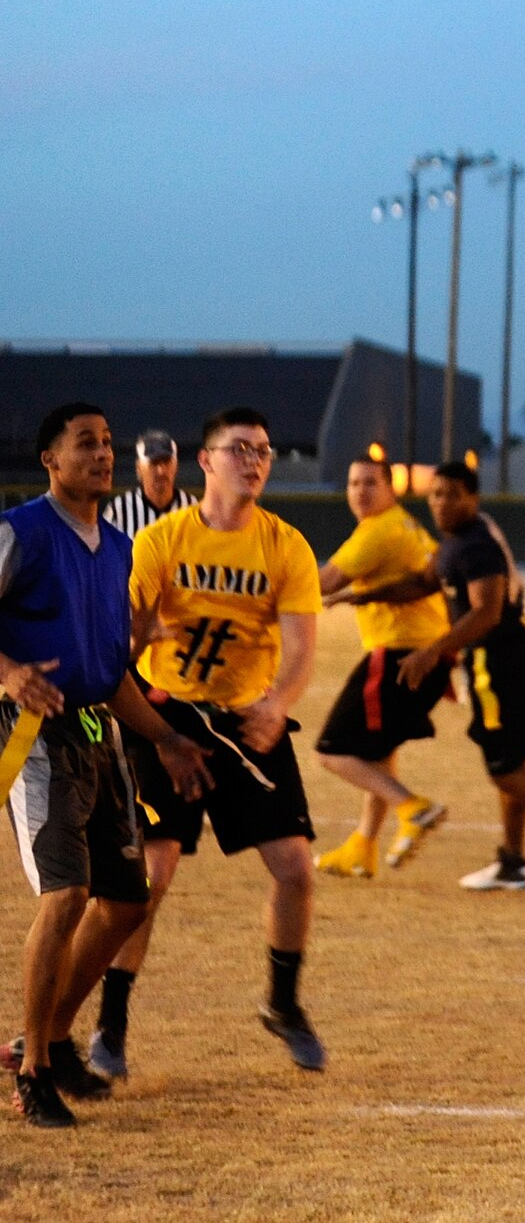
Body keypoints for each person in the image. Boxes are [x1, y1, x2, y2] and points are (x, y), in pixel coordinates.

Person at [92, 407, 327, 1076]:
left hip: (245, 720)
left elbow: (303, 645)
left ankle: (282, 1003)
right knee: (150, 874)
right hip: (165, 719)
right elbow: (122, 641)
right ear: (207, 459)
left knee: (296, 868)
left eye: (264, 449)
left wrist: (278, 702)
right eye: (240, 448)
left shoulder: (285, 545)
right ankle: (111, 1026)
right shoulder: (163, 539)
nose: (254, 459)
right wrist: (145, 644)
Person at [0, 404, 211, 1127]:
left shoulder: (119, 547)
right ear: (50, 460)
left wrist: (166, 739)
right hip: (32, 732)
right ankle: (31, 1074)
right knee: (65, 895)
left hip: (100, 732)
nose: (102, 453)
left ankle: (51, 1040)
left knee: (126, 899)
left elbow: (114, 671)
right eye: (84, 442)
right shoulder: (21, 530)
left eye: (108, 442)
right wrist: (7, 671)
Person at [337, 461, 525, 895]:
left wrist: (432, 652)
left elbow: (486, 612)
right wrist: (365, 594)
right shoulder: (458, 539)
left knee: (505, 770)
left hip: (504, 661)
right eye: (435, 494)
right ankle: (513, 862)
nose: (441, 502)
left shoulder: (476, 547)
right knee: (509, 759)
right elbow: (423, 581)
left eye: (452, 494)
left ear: (473, 498)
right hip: (501, 658)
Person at [311, 454, 453, 877]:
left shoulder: (380, 530)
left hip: (399, 655)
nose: (359, 491)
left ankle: (413, 807)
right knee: (378, 753)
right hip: (428, 655)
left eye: (370, 483)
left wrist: (267, 575)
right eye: (353, 483)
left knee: (331, 751)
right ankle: (363, 846)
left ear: (390, 488)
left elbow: (324, 582)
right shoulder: (402, 524)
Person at [103, 429, 198, 540]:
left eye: (167, 462)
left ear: (176, 466)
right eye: (154, 462)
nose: (161, 471)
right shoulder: (118, 510)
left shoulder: (191, 506)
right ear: (139, 468)